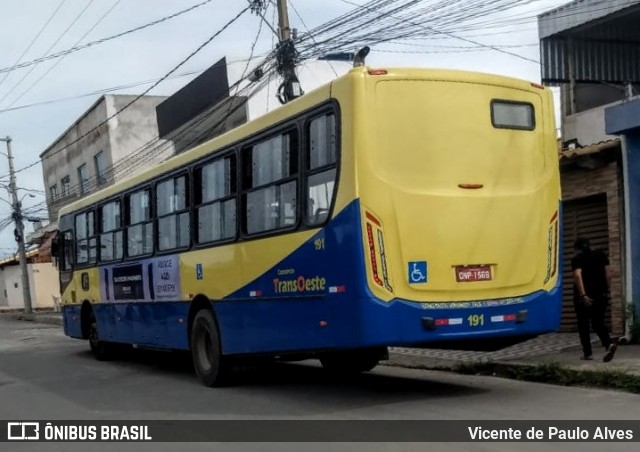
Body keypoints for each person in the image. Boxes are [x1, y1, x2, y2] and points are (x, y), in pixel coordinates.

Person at [571, 237, 617, 362]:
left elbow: (577, 275)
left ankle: (588, 354)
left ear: (577, 249)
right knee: (598, 323)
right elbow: (609, 274)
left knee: (584, 326)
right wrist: (605, 291)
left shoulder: (577, 259)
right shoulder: (601, 255)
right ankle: (608, 344)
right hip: (600, 295)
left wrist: (583, 295)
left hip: (584, 298)